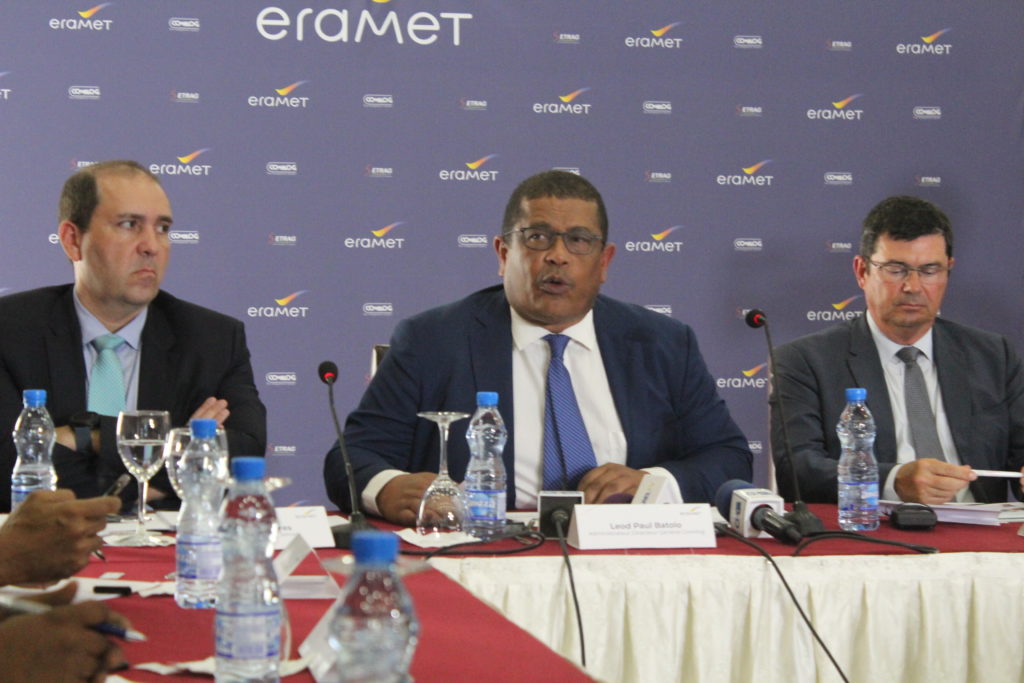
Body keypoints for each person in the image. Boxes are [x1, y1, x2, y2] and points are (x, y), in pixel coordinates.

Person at [325, 170, 752, 525]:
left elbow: (728, 458)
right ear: (502, 253)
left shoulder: (662, 343)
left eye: (579, 240)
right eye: (538, 237)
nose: (558, 256)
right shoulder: (432, 340)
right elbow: (352, 458)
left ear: (604, 262)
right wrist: (388, 488)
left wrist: (652, 484)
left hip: (627, 551)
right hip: (487, 553)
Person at [0, 160, 266, 511]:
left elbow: (243, 452)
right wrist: (174, 458)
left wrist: (86, 437)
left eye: (163, 228)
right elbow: (7, 467)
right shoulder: (10, 331)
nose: (151, 246)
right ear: (72, 240)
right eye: (129, 225)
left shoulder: (212, 339)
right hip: (47, 544)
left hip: (167, 545)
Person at [771, 195, 1024, 505]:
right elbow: (797, 471)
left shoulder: (994, 356)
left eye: (930, 270)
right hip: (875, 527)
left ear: (948, 271)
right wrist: (893, 481)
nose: (913, 286)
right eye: (896, 269)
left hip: (980, 529)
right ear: (862, 271)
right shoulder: (805, 361)